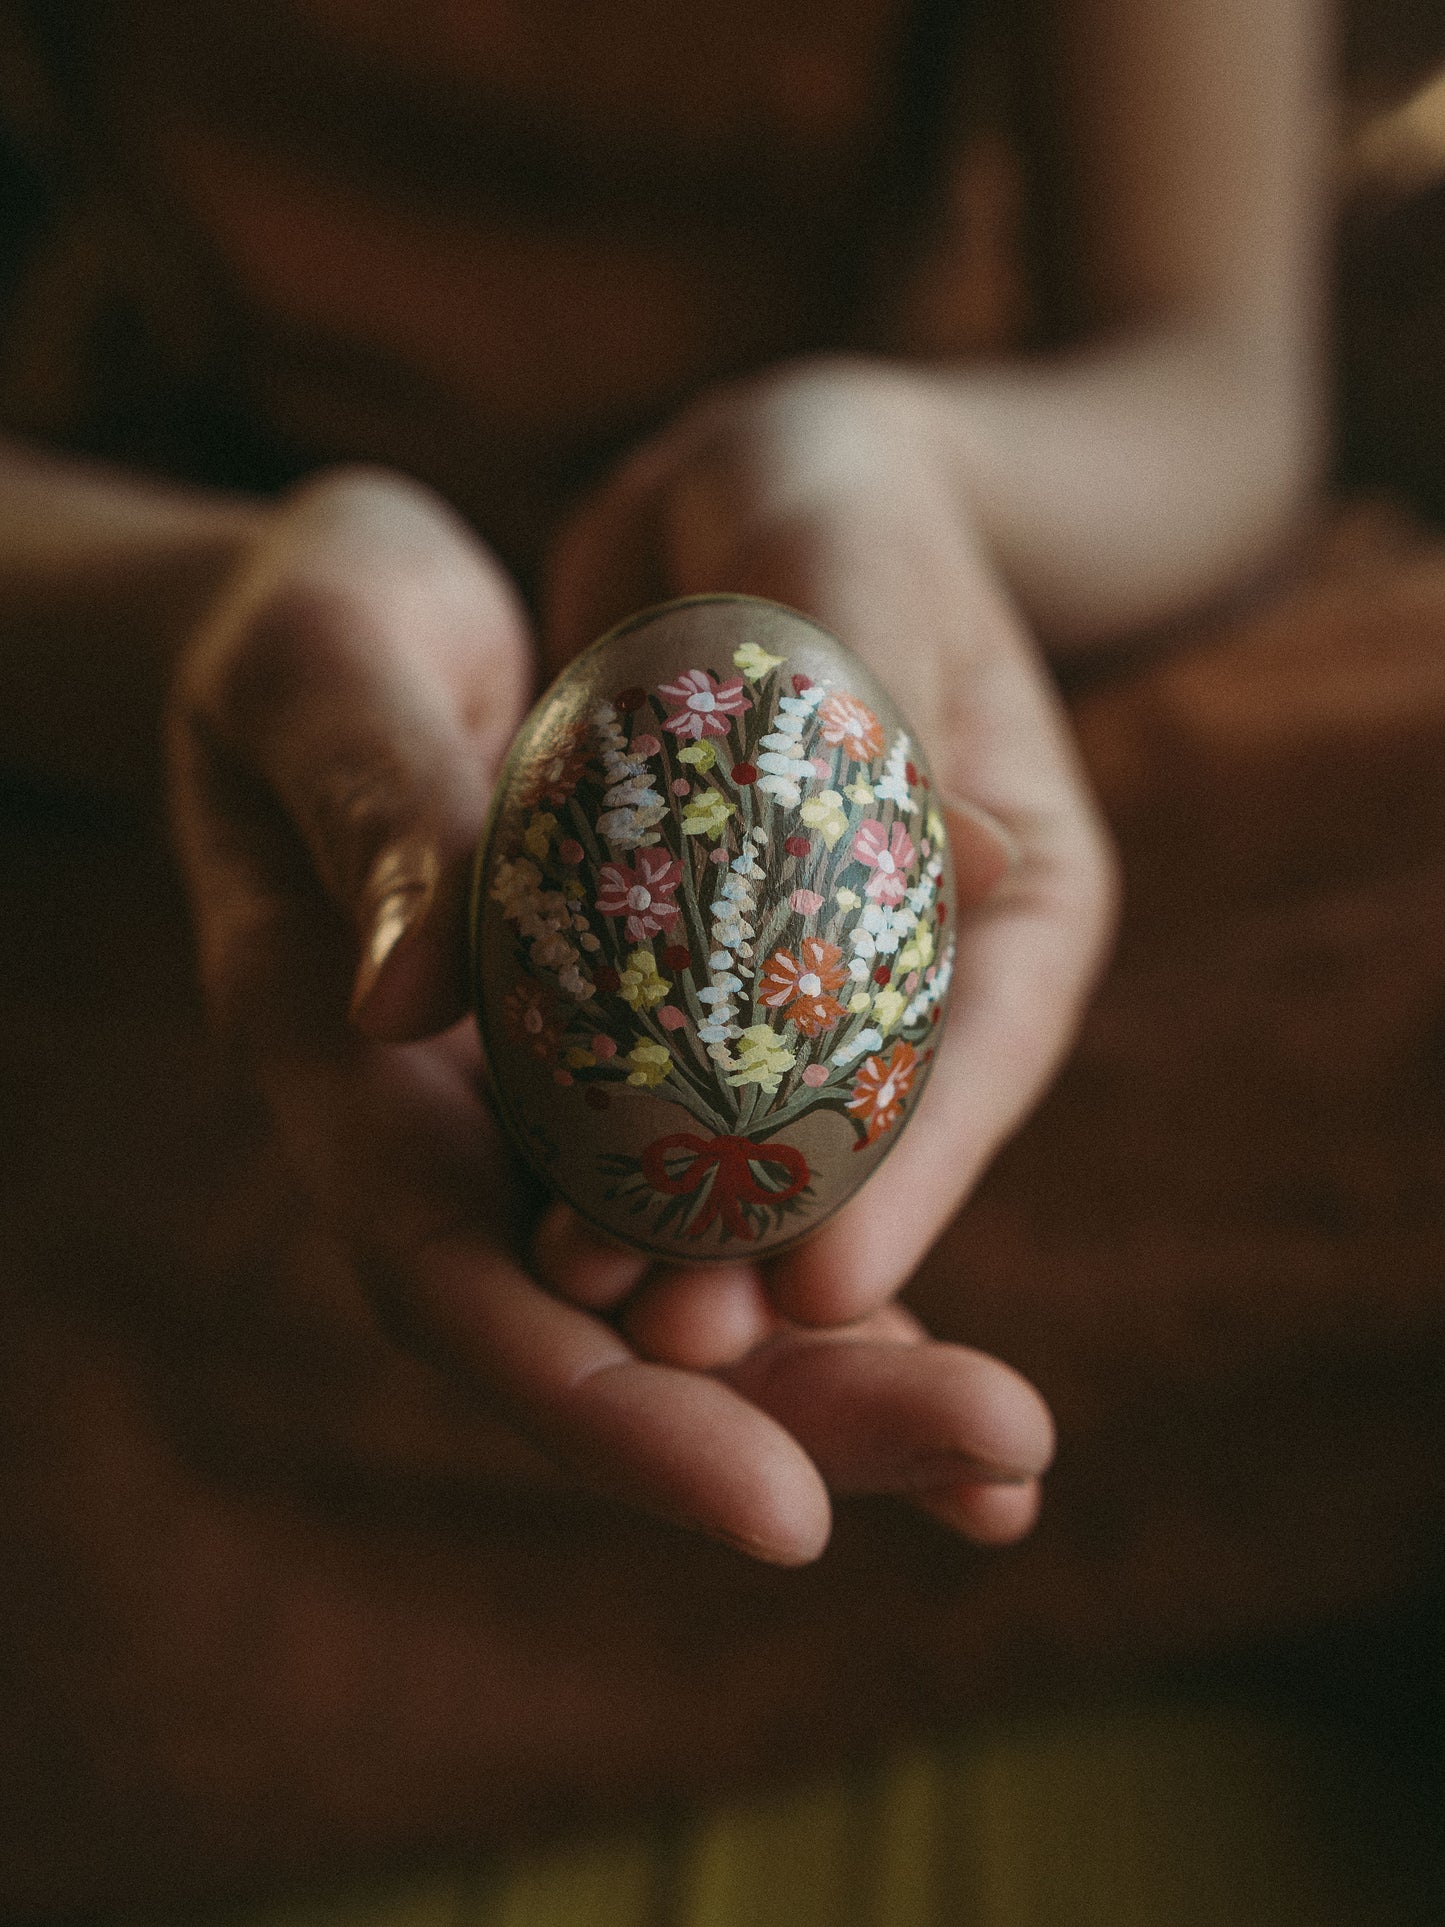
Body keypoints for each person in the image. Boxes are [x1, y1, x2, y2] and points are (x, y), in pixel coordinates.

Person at [0, 0, 1326, 1905]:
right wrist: (198, 620)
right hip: (224, 778)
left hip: (978, 643)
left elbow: (1213, 384)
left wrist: (889, 469)